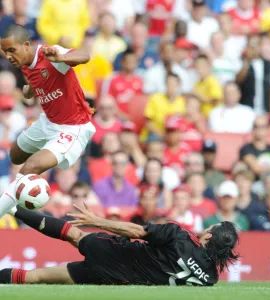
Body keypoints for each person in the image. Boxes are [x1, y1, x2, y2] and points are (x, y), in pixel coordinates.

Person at [0, 203, 239, 286]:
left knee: (73, 233)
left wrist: (96, 221)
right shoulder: (209, 279)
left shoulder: (179, 235)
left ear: (208, 237)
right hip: (112, 277)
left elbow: (136, 230)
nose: (204, 229)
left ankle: (11, 208)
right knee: (36, 278)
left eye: (209, 229)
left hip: (114, 252)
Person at [0, 24, 96, 218]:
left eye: (12, 50)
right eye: (4, 52)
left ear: (26, 44)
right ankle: (14, 197)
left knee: (30, 167)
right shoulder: (25, 64)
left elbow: (84, 56)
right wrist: (29, 89)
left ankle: (5, 206)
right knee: (16, 156)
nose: (8, 56)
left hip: (72, 127)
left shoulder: (50, 54)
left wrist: (62, 58)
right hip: (48, 122)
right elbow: (39, 81)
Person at [141, 72, 186, 141]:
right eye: (169, 84)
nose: (171, 87)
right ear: (165, 84)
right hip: (155, 134)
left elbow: (182, 122)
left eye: (174, 84)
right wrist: (162, 134)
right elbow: (148, 122)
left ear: (178, 86)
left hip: (173, 135)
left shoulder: (181, 102)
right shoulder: (155, 98)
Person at [236, 34, 270, 115]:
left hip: (265, 109)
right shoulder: (241, 62)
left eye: (257, 44)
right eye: (252, 45)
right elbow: (238, 81)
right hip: (247, 109)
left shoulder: (267, 65)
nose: (254, 48)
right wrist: (246, 61)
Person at [102, 49, 143, 120]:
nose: (131, 63)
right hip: (117, 118)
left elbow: (142, 103)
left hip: (135, 118)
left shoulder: (140, 81)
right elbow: (107, 101)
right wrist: (122, 116)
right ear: (123, 62)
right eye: (128, 61)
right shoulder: (113, 79)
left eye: (133, 61)